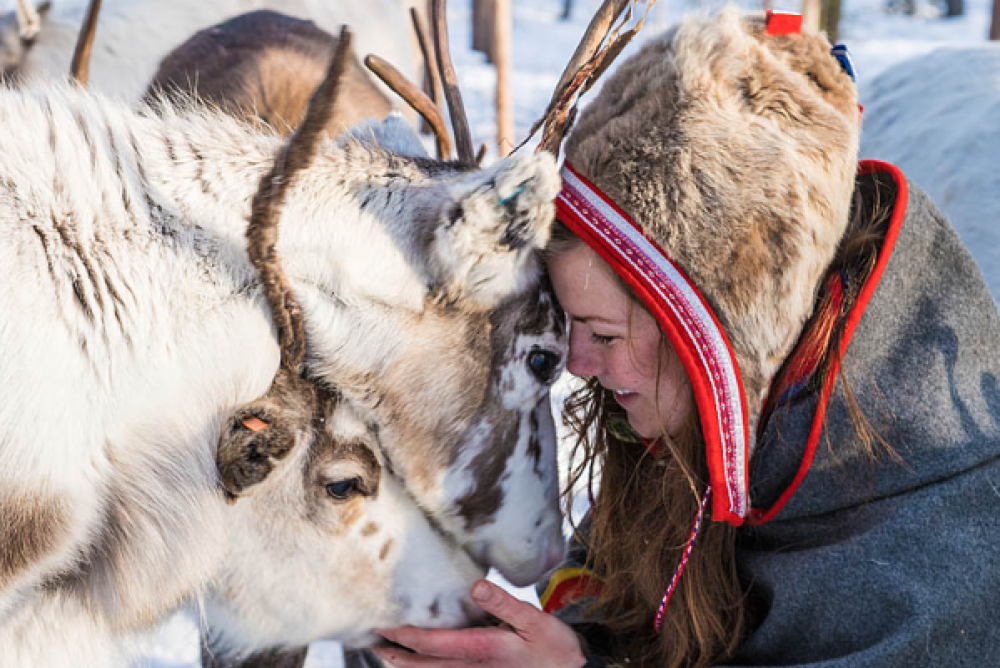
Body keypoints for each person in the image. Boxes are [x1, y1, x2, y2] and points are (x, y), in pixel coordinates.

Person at [372, 8, 1000, 667]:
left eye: (604, 334)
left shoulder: (948, 538)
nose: (580, 364)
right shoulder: (692, 438)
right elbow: (616, 600)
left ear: (725, 331)